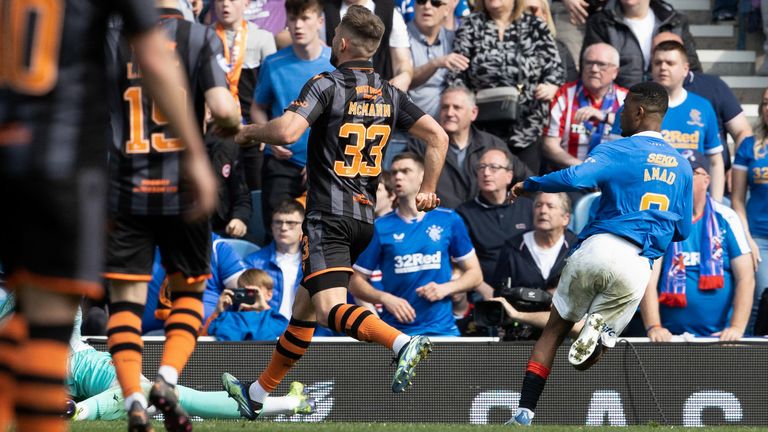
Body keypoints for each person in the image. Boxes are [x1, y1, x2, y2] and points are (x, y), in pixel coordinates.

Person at [220, 5, 449, 420]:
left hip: (327, 216)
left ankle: (401, 343)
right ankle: (256, 394)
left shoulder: (326, 83)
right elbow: (438, 136)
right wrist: (428, 188)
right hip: (364, 219)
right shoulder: (391, 94)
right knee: (303, 312)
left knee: (327, 309)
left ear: (341, 43)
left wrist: (249, 132)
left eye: (333, 37)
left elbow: (289, 131)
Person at [0, 2, 214, 431]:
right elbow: (153, 59)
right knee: (47, 326)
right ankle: (157, 383)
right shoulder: (187, 36)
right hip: (64, 162)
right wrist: (195, 153)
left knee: (29, 323)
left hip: (11, 157)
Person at [506, 82, 692, 425]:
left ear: (639, 112)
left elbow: (577, 177)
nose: (619, 113)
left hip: (600, 246)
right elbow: (683, 231)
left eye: (624, 107)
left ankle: (524, 413)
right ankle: (598, 331)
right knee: (588, 358)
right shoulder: (682, 166)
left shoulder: (618, 150)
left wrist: (529, 185)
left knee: (554, 330)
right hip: (637, 266)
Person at [103, 1, 242, 429]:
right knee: (188, 292)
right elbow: (223, 108)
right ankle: (165, 379)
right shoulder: (199, 38)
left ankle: (132, 401)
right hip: (184, 185)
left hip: (124, 186)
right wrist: (231, 125)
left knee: (124, 302)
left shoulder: (111, 38)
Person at [349, 153, 482, 336]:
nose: (398, 176)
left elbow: (475, 275)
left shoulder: (448, 220)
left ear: (422, 176)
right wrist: (385, 298)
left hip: (442, 330)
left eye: (405, 171)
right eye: (395, 172)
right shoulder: (380, 227)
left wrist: (445, 288)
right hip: (397, 334)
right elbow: (355, 281)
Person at [640, 151, 754, 341]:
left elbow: (746, 277)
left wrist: (736, 327)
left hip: (721, 338)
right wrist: (654, 326)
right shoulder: (662, 221)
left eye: (691, 173)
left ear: (706, 180)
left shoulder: (727, 218)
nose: (684, 178)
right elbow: (647, 280)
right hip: (670, 338)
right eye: (680, 173)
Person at [448, 0, 565, 173]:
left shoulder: (534, 25)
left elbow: (555, 69)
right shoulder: (471, 24)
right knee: (487, 180)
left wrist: (550, 86)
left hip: (527, 123)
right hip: (483, 124)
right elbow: (456, 72)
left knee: (524, 188)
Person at [610, 41, 725, 202]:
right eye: (658, 63)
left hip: (690, 201)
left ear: (685, 69)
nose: (663, 67)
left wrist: (716, 203)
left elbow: (715, 161)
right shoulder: (631, 106)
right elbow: (614, 157)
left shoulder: (703, 107)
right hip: (640, 198)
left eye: (670, 63)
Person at [254, 0, 334, 232]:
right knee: (278, 232)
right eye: (292, 19)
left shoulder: (336, 65)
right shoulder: (273, 63)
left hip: (325, 164)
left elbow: (344, 119)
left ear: (319, 22)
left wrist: (321, 158)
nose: (298, 25)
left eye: (305, 18)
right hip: (281, 162)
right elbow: (258, 108)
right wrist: (269, 136)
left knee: (323, 237)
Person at [408, 87, 533, 209]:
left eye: (457, 108)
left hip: (484, 221)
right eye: (445, 107)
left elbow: (527, 181)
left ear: (473, 113)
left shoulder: (492, 144)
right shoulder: (421, 145)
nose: (449, 113)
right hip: (440, 223)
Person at [486, 192, 577, 340]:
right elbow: (499, 292)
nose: (543, 211)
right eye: (538, 205)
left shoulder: (577, 248)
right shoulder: (513, 247)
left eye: (550, 206)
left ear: (566, 218)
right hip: (520, 332)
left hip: (565, 332)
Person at [213, 0, 278, 191]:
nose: (225, 5)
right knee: (219, 190)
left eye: (232, 0)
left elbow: (271, 90)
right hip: (218, 130)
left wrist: (267, 131)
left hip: (253, 131)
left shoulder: (262, 37)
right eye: (219, 0)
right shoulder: (204, 35)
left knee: (255, 188)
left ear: (247, 3)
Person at [457, 148, 534, 285]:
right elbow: (460, 262)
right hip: (484, 290)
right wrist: (484, 290)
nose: (486, 173)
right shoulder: (464, 213)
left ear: (509, 176)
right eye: (482, 167)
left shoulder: (529, 208)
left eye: (494, 168)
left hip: (527, 287)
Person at [543, 43, 628, 168]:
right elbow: (549, 145)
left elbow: (639, 140)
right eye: (589, 63)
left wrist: (605, 117)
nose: (593, 69)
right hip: (571, 175)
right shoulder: (564, 95)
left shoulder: (627, 99)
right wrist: (582, 168)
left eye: (601, 64)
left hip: (614, 175)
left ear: (615, 72)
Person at [582, 0, 700, 88]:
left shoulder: (675, 21)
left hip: (667, 103)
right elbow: (590, 69)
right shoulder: (601, 22)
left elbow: (692, 68)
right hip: (619, 106)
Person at [323, 0, 415, 91]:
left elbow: (402, 61)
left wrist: (404, 76)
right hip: (338, 95)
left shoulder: (389, 11)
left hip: (380, 98)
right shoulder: (324, 12)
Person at [731, 110, 768, 333]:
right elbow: (736, 199)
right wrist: (747, 238)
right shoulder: (749, 145)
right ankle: (750, 360)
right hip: (758, 237)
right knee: (761, 298)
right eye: (765, 103)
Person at [244, 200, 305, 319]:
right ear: (271, 226)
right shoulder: (253, 262)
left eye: (291, 223)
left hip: (310, 333)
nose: (283, 227)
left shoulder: (315, 263)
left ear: (303, 227)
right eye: (278, 222)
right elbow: (246, 307)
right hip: (268, 332)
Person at [407, 0, 468, 119]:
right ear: (414, 6)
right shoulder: (400, 38)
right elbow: (404, 80)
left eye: (435, 3)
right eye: (421, 1)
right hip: (405, 129)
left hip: (445, 128)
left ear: (446, 10)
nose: (427, 6)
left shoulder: (455, 39)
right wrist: (436, 63)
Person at [203, 269, 291, 340]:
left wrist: (264, 308)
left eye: (254, 292)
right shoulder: (228, 317)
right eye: (243, 292)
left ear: (269, 295)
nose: (249, 296)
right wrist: (218, 311)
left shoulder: (270, 318)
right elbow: (202, 338)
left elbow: (290, 334)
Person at [523, 0, 578, 82]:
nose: (528, 16)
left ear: (545, 15)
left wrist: (554, 86)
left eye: (533, 10)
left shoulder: (561, 50)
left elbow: (571, 86)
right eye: (523, 12)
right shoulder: (508, 51)